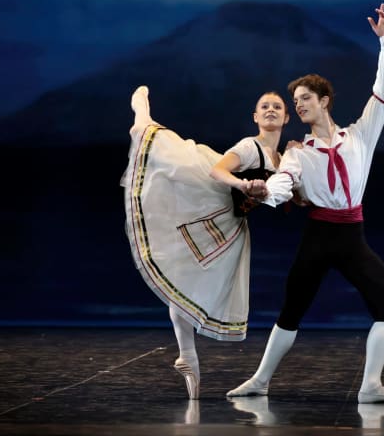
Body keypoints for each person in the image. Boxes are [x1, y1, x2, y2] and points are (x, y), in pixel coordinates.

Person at [227, 3, 384, 403]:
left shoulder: (359, 135)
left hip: (352, 237)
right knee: (292, 310)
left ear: (325, 100)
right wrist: (263, 191)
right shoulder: (298, 151)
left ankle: (370, 386)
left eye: (305, 98)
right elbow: (283, 182)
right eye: (295, 101)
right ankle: (259, 381)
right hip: (319, 237)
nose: (299, 105)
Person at [121, 86, 289, 400]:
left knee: (188, 278)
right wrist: (243, 184)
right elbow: (217, 170)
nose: (270, 110)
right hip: (210, 196)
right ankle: (140, 112)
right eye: (264, 106)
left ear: (286, 118)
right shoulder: (250, 147)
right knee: (160, 146)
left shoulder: (281, 158)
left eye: (277, 107)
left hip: (231, 222)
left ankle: (187, 356)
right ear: (255, 117)